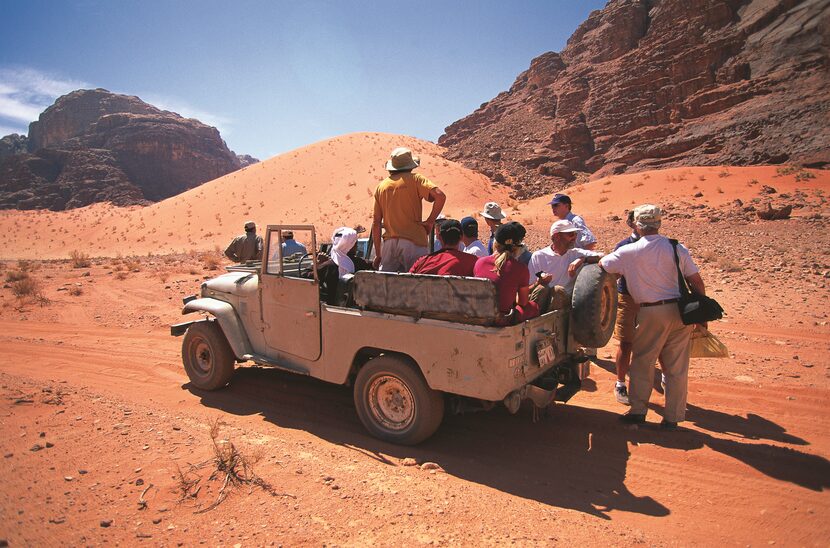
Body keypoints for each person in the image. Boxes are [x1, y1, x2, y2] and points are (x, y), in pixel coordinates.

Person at [600, 204, 707, 429]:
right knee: (676, 366)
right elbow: (696, 281)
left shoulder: (629, 251)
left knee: (643, 361)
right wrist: (701, 314)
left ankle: (638, 411)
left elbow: (605, 265)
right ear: (658, 223)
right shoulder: (677, 247)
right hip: (680, 312)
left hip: (651, 311)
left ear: (637, 224)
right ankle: (673, 417)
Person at [372, 147, 446, 272]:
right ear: (411, 165)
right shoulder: (416, 179)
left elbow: (376, 223)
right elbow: (440, 196)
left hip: (389, 243)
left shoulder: (381, 187)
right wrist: (430, 221)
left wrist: (378, 254)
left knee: (387, 286)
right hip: (414, 241)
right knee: (416, 282)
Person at [527, 220, 602, 312]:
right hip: (543, 301)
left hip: (564, 303)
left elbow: (605, 257)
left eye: (575, 234)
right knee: (542, 289)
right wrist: (538, 283)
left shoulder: (576, 254)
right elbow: (529, 287)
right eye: (571, 234)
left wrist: (582, 260)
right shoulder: (539, 256)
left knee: (558, 291)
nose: (574, 238)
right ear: (557, 236)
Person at [473, 222, 539, 326]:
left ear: (495, 243)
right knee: (534, 307)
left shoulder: (480, 263)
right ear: (517, 247)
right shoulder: (521, 268)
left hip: (481, 315)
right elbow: (522, 303)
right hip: (504, 319)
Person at [611, 211, 639, 405]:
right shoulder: (623, 246)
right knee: (626, 342)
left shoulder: (661, 245)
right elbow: (611, 273)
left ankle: (664, 380)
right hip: (628, 298)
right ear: (630, 223)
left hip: (653, 300)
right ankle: (620, 383)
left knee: (660, 344)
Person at [317, 227, 372, 305]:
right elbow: (375, 266)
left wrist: (317, 264)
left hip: (331, 310)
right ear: (351, 246)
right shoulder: (360, 263)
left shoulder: (327, 266)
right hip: (355, 308)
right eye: (355, 243)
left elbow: (308, 279)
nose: (356, 247)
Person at [410, 219, 478, 276]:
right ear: (461, 237)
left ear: (439, 237)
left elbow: (407, 281)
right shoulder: (475, 262)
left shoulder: (422, 262)